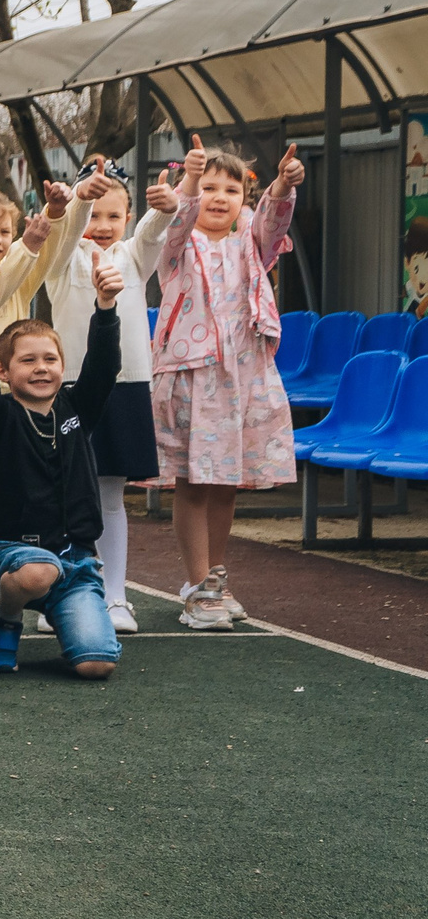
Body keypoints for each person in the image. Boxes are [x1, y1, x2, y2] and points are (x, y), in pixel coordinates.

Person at [151, 136, 304, 630]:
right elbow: (176, 220)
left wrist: (282, 183)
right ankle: (196, 586)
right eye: (210, 188)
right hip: (194, 374)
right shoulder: (176, 243)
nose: (218, 197)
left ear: (244, 198)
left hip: (244, 376)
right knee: (193, 481)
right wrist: (189, 181)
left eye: (230, 189)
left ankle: (216, 578)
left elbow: (273, 219)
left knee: (227, 484)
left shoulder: (250, 244)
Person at [0, 253, 129, 677]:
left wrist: (106, 305)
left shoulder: (77, 407)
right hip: (16, 554)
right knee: (39, 571)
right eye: (28, 360)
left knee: (96, 665)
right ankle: (4, 615)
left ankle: (68, 614)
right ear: (4, 370)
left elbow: (105, 366)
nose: (41, 368)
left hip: (75, 560)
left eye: (50, 360)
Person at [54, 160, 180, 633]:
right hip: (68, 390)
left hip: (126, 389)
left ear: (127, 217)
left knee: (110, 496)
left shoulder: (133, 258)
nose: (102, 226)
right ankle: (63, 596)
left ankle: (115, 598)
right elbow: (65, 233)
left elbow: (152, 234)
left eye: (114, 215)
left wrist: (167, 208)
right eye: (94, 215)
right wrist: (80, 200)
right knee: (64, 496)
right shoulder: (62, 258)